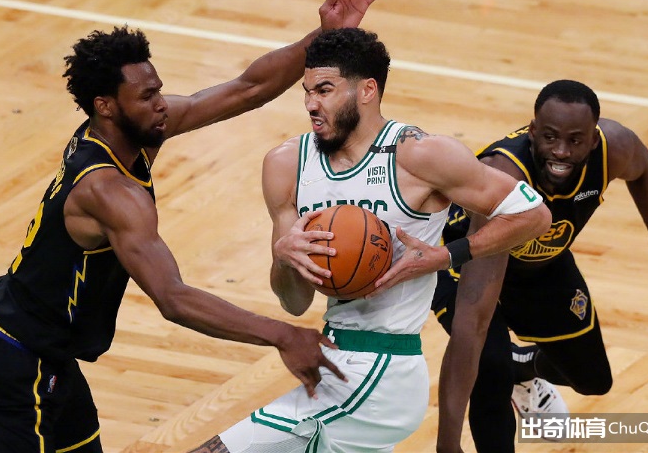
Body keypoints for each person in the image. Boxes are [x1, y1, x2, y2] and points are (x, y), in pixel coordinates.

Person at [0, 0, 389, 453]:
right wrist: (283, 335)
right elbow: (173, 299)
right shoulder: (108, 193)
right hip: (9, 361)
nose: (161, 103)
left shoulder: (129, 134)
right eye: (147, 96)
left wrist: (324, 36)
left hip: (48, 356)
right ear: (105, 106)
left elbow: (246, 89)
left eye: (159, 90)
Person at [188, 27, 551, 452]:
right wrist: (284, 260)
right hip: (332, 358)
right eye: (307, 92)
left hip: (383, 371)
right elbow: (295, 302)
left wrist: (446, 256)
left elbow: (534, 215)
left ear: (367, 90)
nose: (311, 104)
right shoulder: (287, 165)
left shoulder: (419, 155)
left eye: (324, 90)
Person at [432, 79, 648, 453]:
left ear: (593, 140)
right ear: (532, 132)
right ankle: (505, 369)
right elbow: (472, 323)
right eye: (550, 137)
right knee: (490, 367)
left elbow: (644, 173)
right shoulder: (505, 178)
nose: (560, 151)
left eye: (575, 141)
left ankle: (522, 366)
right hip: (467, 260)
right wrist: (447, 445)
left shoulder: (615, 146)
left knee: (593, 380)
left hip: (541, 265)